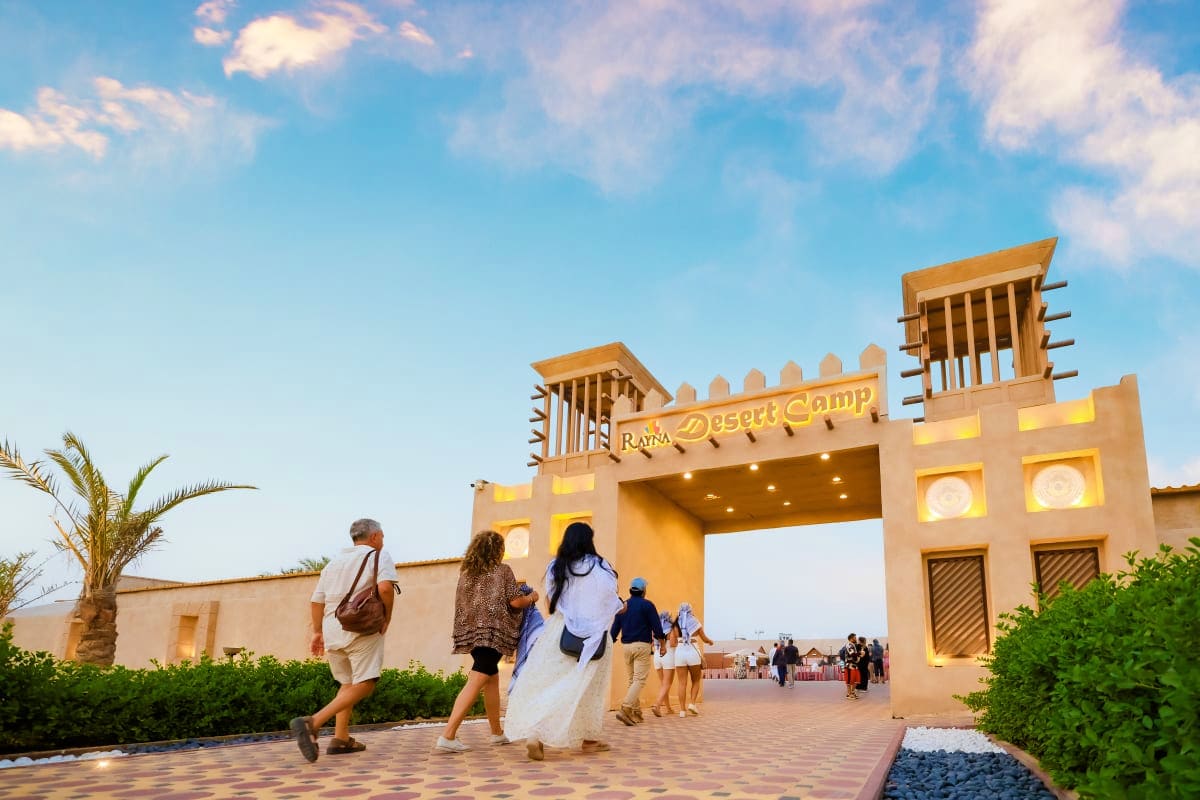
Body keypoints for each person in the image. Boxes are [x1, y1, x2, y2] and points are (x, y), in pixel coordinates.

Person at [504, 522, 624, 761]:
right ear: (589, 540)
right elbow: (610, 601)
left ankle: (535, 732)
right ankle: (589, 740)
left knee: (551, 683)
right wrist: (621, 606)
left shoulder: (556, 566)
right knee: (589, 687)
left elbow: (551, 603)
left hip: (560, 630)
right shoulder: (601, 567)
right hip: (593, 635)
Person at [290, 518, 398, 761]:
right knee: (366, 682)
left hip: (332, 628)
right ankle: (312, 722)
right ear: (374, 536)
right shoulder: (378, 556)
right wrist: (387, 617)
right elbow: (385, 589)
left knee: (347, 682)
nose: (383, 540)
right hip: (361, 627)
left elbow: (316, 600)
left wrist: (317, 632)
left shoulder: (334, 563)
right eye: (382, 536)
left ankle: (341, 739)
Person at [435, 530, 540, 753]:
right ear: (497, 550)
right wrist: (531, 597)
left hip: (471, 632)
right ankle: (448, 735)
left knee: (491, 678)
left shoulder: (466, 573)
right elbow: (515, 602)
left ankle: (496, 733)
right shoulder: (502, 570)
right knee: (477, 678)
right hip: (493, 633)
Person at [610, 577, 666, 725]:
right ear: (643, 591)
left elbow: (614, 629)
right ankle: (626, 708)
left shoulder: (623, 605)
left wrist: (610, 642)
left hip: (626, 647)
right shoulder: (647, 605)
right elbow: (657, 628)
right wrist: (662, 645)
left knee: (632, 680)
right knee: (639, 680)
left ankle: (636, 712)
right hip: (641, 646)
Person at [673, 602, 714, 717]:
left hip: (680, 652)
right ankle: (692, 704)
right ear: (690, 611)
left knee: (682, 683)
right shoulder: (695, 622)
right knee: (696, 680)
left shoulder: (676, 623)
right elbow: (704, 638)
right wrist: (710, 642)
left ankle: (682, 711)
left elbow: (673, 640)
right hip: (693, 652)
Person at [650, 611, 677, 716]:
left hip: (657, 656)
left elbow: (652, 642)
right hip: (668, 655)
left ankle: (669, 709)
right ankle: (657, 705)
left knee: (664, 684)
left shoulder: (655, 628)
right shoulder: (671, 627)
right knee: (667, 684)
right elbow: (673, 643)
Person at [839, 632, 860, 700]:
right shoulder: (849, 645)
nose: (856, 639)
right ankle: (849, 694)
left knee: (855, 680)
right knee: (849, 680)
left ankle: (852, 692)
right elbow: (852, 654)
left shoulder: (853, 645)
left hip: (854, 665)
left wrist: (858, 655)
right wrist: (860, 653)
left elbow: (854, 655)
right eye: (855, 638)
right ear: (851, 638)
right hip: (849, 665)